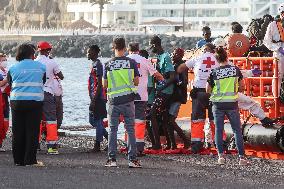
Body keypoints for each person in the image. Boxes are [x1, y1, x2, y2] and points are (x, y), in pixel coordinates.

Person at [206, 45, 250, 166]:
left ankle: (221, 156)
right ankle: (241, 158)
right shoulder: (235, 70)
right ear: (227, 57)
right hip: (232, 104)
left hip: (217, 105)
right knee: (236, 130)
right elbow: (242, 86)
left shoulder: (214, 72)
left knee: (219, 130)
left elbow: (208, 90)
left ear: (217, 59)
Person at [104, 37, 141, 168]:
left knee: (112, 130)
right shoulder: (131, 62)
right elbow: (137, 81)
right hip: (128, 101)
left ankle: (112, 159)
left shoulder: (108, 64)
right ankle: (132, 160)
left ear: (113, 48)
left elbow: (105, 84)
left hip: (113, 101)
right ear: (125, 48)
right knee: (130, 130)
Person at [7, 44, 46, 166]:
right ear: (31, 54)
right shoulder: (41, 67)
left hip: (17, 102)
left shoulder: (13, 68)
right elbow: (43, 81)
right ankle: (30, 160)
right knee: (32, 131)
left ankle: (18, 160)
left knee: (17, 131)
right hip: (34, 102)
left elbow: (10, 82)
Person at [178, 43, 219, 153]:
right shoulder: (217, 59)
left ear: (204, 50)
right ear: (213, 50)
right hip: (214, 93)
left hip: (199, 92)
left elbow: (181, 67)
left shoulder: (198, 58)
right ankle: (221, 144)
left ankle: (197, 144)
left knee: (197, 119)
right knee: (215, 119)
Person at [127, 42, 164, 155]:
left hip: (127, 95)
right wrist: (164, 81)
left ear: (128, 49)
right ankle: (138, 147)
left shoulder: (125, 60)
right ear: (138, 49)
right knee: (140, 122)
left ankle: (129, 145)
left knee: (129, 121)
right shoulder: (144, 60)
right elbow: (157, 75)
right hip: (141, 96)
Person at [35, 41, 64, 155]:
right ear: (48, 51)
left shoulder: (34, 62)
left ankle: (35, 144)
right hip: (47, 92)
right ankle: (51, 146)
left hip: (36, 93)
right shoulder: (51, 62)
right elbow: (61, 76)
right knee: (51, 119)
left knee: (36, 119)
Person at [149, 35, 176, 150]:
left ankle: (157, 144)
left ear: (155, 44)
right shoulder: (159, 57)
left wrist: (161, 87)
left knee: (152, 114)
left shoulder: (166, 57)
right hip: (161, 91)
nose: (151, 48)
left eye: (151, 45)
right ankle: (172, 144)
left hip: (166, 92)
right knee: (164, 119)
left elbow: (173, 77)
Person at [87, 45, 108, 152]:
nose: (88, 54)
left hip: (99, 97)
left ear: (95, 53)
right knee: (93, 120)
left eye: (89, 52)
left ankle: (97, 145)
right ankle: (108, 138)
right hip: (95, 97)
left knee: (98, 120)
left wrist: (94, 100)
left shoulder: (98, 65)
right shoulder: (94, 64)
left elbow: (100, 84)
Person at [168, 48, 190, 149]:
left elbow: (184, 81)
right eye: (173, 53)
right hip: (172, 95)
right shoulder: (174, 65)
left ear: (180, 56)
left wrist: (174, 81)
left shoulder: (182, 66)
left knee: (171, 120)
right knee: (168, 120)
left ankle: (186, 140)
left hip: (177, 96)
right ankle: (173, 144)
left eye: (175, 54)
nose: (173, 55)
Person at [263, 3, 284, 97]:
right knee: (278, 75)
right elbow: (267, 41)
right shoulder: (272, 25)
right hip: (279, 53)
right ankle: (276, 96)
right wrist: (278, 48)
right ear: (281, 13)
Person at [0, 53, 8, 152]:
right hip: (2, 95)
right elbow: (2, 83)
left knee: (5, 118)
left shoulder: (6, 70)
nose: (5, 62)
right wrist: (7, 79)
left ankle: (3, 136)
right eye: (3, 60)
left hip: (6, 95)